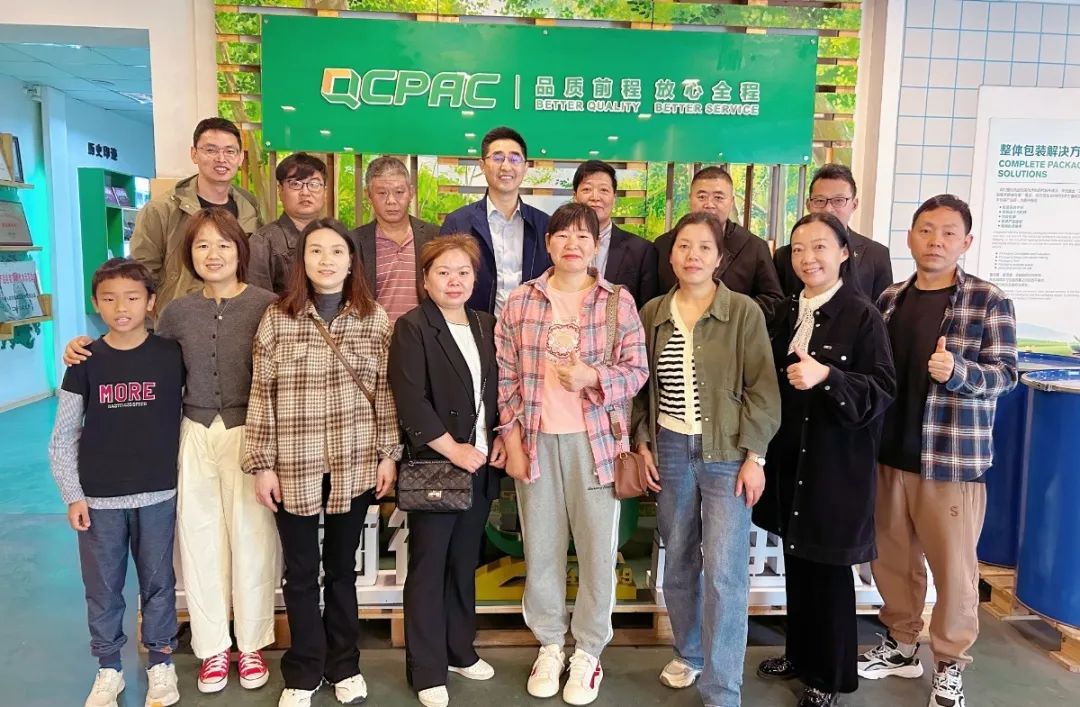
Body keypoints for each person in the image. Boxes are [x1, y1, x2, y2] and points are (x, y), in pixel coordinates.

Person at [62, 208, 282, 695]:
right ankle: (212, 648)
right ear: (189, 255)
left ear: (240, 251)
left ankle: (250, 646)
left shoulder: (268, 305)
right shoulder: (177, 312)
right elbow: (136, 351)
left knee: (253, 539)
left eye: (223, 244)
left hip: (251, 433)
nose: (213, 254)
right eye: (202, 245)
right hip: (194, 432)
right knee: (199, 543)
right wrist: (83, 346)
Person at [859, 195, 1017, 707]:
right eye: (926, 230)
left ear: (965, 241)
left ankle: (950, 664)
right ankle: (902, 644)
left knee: (954, 572)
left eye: (949, 232)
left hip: (950, 461)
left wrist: (959, 372)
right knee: (892, 561)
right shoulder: (890, 299)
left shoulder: (988, 301)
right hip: (889, 454)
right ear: (910, 236)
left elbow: (1006, 375)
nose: (936, 241)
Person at [243, 218, 401, 707]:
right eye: (315, 251)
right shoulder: (277, 318)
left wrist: (389, 455)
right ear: (302, 261)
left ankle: (344, 665)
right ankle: (304, 670)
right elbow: (261, 393)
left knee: (341, 570)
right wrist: (262, 463)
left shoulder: (375, 319)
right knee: (300, 572)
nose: (326, 260)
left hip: (355, 463)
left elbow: (386, 393)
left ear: (352, 261)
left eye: (336, 251)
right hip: (294, 462)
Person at [495, 202, 647, 706]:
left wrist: (592, 376)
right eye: (563, 235)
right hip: (536, 440)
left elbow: (637, 370)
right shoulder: (521, 301)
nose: (573, 245)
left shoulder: (616, 301)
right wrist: (512, 440)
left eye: (584, 236)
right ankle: (549, 644)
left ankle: (587, 651)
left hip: (596, 444)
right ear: (548, 243)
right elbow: (505, 376)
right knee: (541, 549)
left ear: (596, 245)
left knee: (597, 553)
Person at [632, 211, 780, 707]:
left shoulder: (742, 312)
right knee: (677, 561)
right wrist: (643, 442)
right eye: (683, 246)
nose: (692, 255)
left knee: (724, 573)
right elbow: (639, 388)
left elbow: (763, 390)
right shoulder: (653, 312)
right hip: (671, 450)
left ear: (719, 259)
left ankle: (722, 687)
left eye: (703, 247)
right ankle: (689, 652)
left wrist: (755, 456)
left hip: (728, 454)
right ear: (671, 256)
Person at [753, 213, 896, 707]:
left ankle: (829, 676)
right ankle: (799, 653)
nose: (807, 258)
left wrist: (829, 377)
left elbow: (882, 390)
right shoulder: (789, 310)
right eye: (798, 249)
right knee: (798, 563)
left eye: (819, 247)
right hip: (792, 462)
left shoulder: (862, 315)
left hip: (836, 466)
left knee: (829, 572)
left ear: (843, 253)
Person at [48, 258, 185, 707]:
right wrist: (73, 496)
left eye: (132, 297)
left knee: (159, 583)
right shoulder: (85, 361)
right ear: (96, 303)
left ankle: (161, 663)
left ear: (150, 302)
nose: (121, 307)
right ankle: (109, 669)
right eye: (109, 299)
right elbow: (63, 435)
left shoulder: (171, 355)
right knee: (103, 588)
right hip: (99, 500)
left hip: (159, 494)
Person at [389, 235, 508, 707]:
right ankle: (426, 669)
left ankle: (460, 649)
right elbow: (410, 400)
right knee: (428, 567)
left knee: (463, 562)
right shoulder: (413, 327)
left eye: (463, 272)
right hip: (438, 465)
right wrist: (453, 449)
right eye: (443, 272)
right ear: (425, 280)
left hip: (481, 464)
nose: (454, 280)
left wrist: (500, 439)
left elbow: (497, 392)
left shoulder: (486, 324)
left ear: (475, 279)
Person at [130, 116, 262, 313]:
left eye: (230, 151)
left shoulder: (249, 206)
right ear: (194, 154)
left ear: (240, 157)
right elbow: (141, 275)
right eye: (211, 150)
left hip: (237, 316)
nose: (221, 159)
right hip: (180, 319)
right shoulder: (162, 209)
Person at [440, 126, 550, 315]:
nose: (506, 166)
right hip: (474, 326)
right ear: (482, 165)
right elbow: (442, 281)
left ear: (525, 167)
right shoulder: (458, 223)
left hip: (531, 327)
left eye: (515, 159)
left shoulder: (544, 225)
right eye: (498, 158)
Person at [653, 166, 783, 321]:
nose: (709, 204)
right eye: (702, 197)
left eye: (718, 198)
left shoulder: (754, 246)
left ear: (731, 202)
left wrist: (729, 313)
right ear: (690, 198)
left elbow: (774, 301)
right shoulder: (663, 244)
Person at [773, 163, 893, 301]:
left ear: (854, 205)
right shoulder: (784, 256)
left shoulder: (876, 255)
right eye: (820, 200)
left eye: (838, 200)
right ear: (808, 205)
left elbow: (884, 310)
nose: (828, 209)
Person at [352, 156, 440, 325]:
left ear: (411, 193)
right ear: (368, 195)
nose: (391, 201)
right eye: (382, 193)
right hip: (373, 336)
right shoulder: (355, 242)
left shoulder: (434, 237)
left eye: (399, 192)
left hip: (423, 336)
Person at [572, 159, 658, 307]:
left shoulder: (641, 250)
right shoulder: (559, 244)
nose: (595, 197)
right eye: (587, 189)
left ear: (614, 197)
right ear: (575, 196)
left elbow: (646, 310)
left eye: (604, 190)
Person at [248, 152, 329, 294]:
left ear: (325, 192)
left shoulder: (334, 238)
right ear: (280, 190)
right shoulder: (262, 242)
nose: (305, 192)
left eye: (314, 184)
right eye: (295, 184)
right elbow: (256, 300)